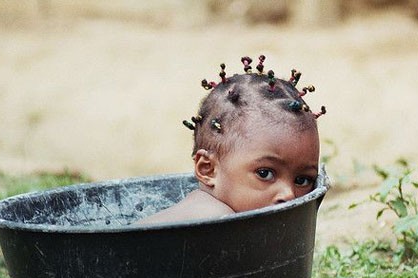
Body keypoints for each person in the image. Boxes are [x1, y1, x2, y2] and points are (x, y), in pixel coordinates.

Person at [138, 55, 326, 225]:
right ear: (208, 169)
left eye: (302, 180)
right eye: (265, 173)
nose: (289, 194)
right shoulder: (214, 219)